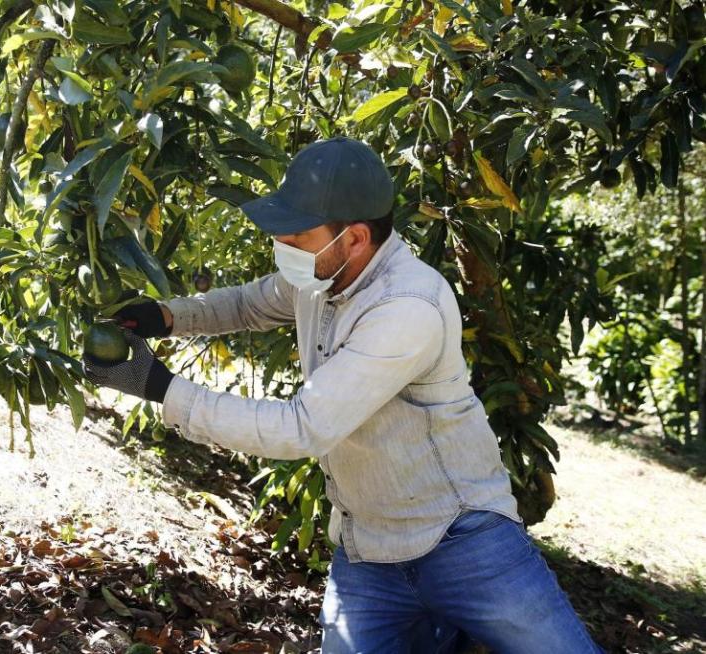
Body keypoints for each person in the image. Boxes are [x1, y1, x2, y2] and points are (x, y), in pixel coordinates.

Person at [82, 136, 603, 654]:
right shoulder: (321, 275)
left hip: (463, 540)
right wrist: (169, 316)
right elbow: (249, 304)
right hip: (368, 549)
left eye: (298, 235)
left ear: (354, 238)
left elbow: (302, 427)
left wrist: (160, 388)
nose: (283, 247)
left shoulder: (407, 305)